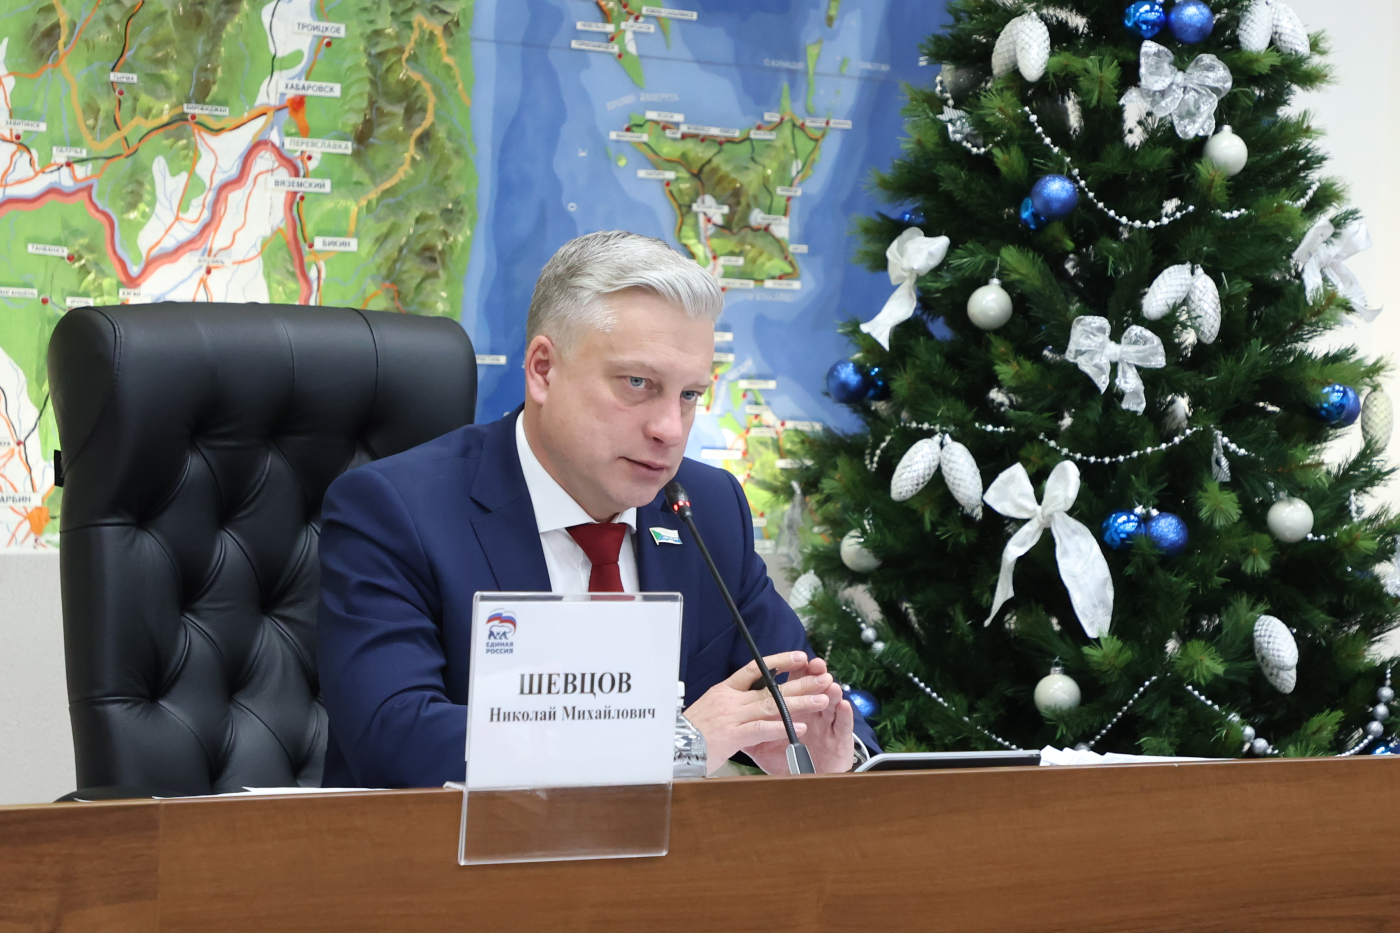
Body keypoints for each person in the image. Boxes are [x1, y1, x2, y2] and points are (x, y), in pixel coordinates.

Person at [317, 230, 878, 788]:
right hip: (456, 845)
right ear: (543, 369)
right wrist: (671, 743)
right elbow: (398, 739)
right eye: (638, 383)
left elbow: (798, 694)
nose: (669, 429)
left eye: (688, 395)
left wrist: (831, 757)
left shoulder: (705, 508)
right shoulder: (396, 510)